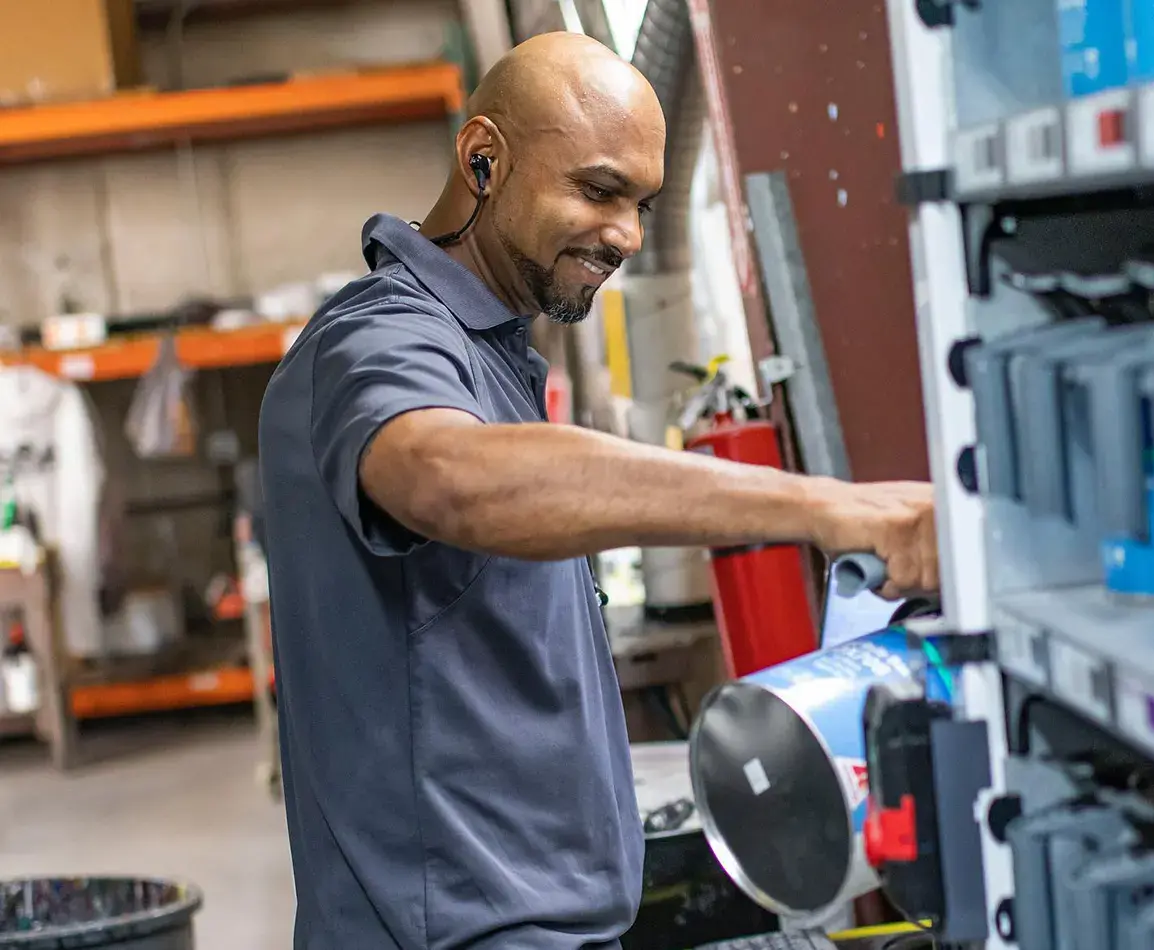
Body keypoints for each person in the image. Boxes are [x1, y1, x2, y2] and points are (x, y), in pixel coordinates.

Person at [258, 30, 938, 950]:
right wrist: (823, 507)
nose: (623, 234)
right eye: (596, 189)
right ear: (482, 159)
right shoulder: (376, 339)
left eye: (643, 204)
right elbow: (446, 476)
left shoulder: (488, 353)